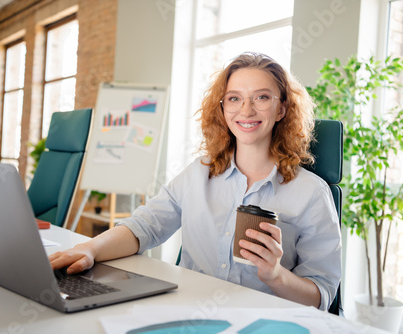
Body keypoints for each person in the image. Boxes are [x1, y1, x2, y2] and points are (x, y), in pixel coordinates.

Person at [49, 52, 341, 311]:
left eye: (262, 97)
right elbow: (145, 226)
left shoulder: (311, 193)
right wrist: (91, 249)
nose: (246, 110)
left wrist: (276, 275)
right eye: (235, 98)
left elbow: (320, 295)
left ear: (282, 109)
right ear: (223, 108)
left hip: (259, 321)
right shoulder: (198, 173)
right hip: (189, 314)